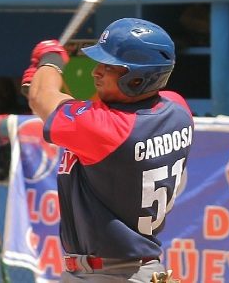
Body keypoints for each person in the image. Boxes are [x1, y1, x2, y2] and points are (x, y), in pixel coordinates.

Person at [21, 18, 194, 282]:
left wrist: (49, 61)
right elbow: (69, 108)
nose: (96, 72)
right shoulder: (177, 108)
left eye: (109, 66)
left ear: (137, 79)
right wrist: (43, 86)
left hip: (110, 274)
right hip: (130, 268)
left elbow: (42, 99)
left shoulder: (109, 130)